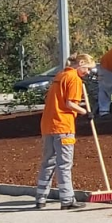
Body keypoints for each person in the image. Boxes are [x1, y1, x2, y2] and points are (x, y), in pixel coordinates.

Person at [35, 53, 94, 210]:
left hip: (48, 125)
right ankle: (67, 199)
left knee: (48, 162)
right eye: (87, 68)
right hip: (63, 126)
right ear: (80, 63)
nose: (88, 72)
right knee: (64, 164)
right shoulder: (74, 78)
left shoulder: (60, 75)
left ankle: (40, 198)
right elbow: (70, 104)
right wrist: (85, 112)